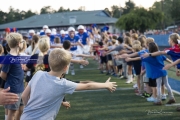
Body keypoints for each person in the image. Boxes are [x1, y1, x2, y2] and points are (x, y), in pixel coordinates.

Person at [20, 48, 117, 120]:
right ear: (66, 68)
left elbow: (24, 95)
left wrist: (29, 109)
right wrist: (106, 85)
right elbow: (88, 85)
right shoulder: (62, 84)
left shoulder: (38, 74)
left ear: (49, 64)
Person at [0, 33, 25, 120]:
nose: (23, 43)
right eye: (22, 41)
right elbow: (2, 74)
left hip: (20, 88)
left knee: (21, 110)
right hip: (13, 90)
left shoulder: (17, 56)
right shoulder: (9, 58)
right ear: (18, 43)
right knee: (12, 114)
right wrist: (11, 80)